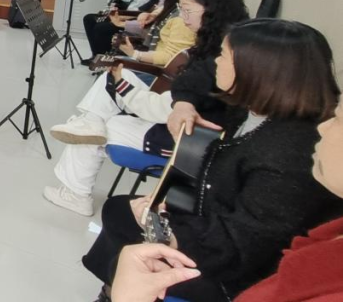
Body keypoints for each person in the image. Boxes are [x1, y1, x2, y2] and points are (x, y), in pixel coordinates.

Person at [83, 19, 343, 301]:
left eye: (223, 56)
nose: (215, 62)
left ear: (254, 70)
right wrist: (183, 104)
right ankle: (112, 287)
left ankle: (117, 290)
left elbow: (244, 245)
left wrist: (162, 228)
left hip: (232, 275)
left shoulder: (288, 153)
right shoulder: (258, 110)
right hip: (217, 223)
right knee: (120, 210)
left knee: (122, 230)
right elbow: (196, 75)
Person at [113, 84, 343, 302]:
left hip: (231, 269)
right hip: (223, 240)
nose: (322, 128)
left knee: (123, 248)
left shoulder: (288, 150)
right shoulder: (325, 242)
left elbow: (247, 241)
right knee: (121, 221)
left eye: (338, 119)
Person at [44, 0, 248, 216]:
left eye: (187, 10)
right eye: (180, 9)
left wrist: (121, 87)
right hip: (184, 123)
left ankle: (76, 194)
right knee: (101, 105)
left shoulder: (217, 63)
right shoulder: (225, 44)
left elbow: (163, 110)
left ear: (212, 10)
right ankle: (90, 120)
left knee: (94, 130)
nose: (183, 17)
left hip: (188, 142)